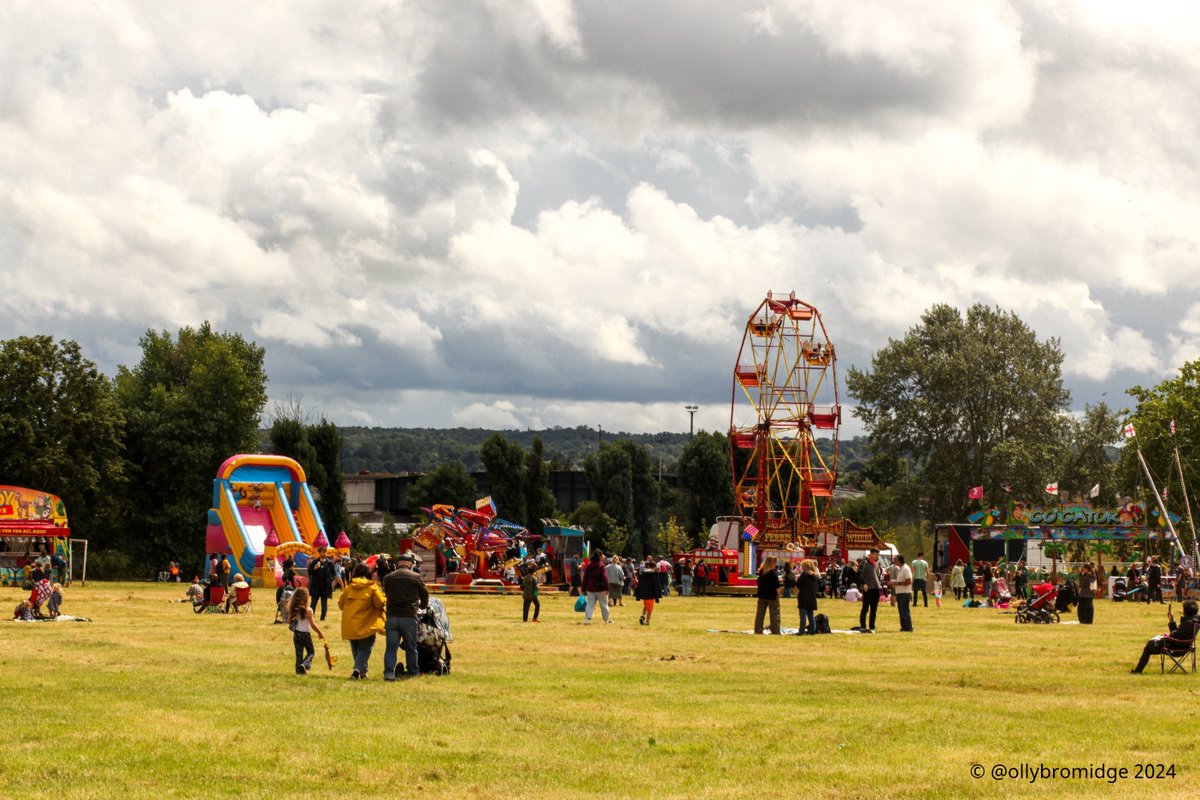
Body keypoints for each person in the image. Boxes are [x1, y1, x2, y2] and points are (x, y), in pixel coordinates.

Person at [382, 552, 429, 680]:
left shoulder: (389, 577)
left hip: (392, 616)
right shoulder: (416, 577)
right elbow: (425, 594)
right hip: (409, 616)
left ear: (398, 563)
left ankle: (388, 674)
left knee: (391, 648)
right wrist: (423, 607)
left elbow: (385, 592)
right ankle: (413, 673)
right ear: (410, 563)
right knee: (411, 647)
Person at [338, 563, 385, 679]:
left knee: (356, 650)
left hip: (350, 624)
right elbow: (380, 603)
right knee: (365, 648)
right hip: (366, 623)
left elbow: (340, 605)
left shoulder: (349, 587)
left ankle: (362, 673)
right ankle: (357, 670)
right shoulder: (372, 587)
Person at [1131, 600, 1200, 673]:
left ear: (1185, 611)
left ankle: (1138, 671)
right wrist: (1172, 621)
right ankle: (1138, 670)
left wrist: (1165, 637)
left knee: (1149, 646)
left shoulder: (1187, 623)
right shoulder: (1195, 621)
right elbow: (1177, 635)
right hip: (1185, 646)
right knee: (1153, 644)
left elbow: (1174, 636)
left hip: (1176, 648)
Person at [286, 587, 324, 675]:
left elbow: (288, 621)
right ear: (306, 598)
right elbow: (313, 625)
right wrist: (320, 633)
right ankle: (305, 665)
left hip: (296, 635)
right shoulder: (309, 610)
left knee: (299, 655)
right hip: (306, 635)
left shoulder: (294, 609)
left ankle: (298, 671)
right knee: (311, 652)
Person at [754, 556, 782, 635]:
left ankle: (758, 630)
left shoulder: (761, 572)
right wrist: (779, 594)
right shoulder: (773, 572)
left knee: (760, 614)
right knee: (775, 614)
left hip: (762, 595)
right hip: (772, 596)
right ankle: (775, 631)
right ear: (773, 563)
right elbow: (777, 585)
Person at [307, 549, 335, 620]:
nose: (324, 553)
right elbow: (309, 572)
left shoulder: (329, 563)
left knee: (324, 604)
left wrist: (330, 580)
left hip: (325, 587)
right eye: (322, 552)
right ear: (319, 553)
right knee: (313, 603)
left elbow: (333, 573)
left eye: (325, 552)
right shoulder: (315, 562)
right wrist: (315, 568)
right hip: (316, 587)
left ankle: (323, 618)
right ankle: (311, 617)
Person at [859, 549, 881, 631]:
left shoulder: (876, 563)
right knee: (865, 608)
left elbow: (877, 575)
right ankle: (863, 626)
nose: (877, 556)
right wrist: (864, 583)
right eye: (876, 554)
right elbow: (859, 574)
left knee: (874, 609)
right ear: (871, 554)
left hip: (876, 588)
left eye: (878, 555)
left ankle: (872, 626)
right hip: (868, 589)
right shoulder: (864, 562)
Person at [795, 559, 819, 635]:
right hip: (811, 597)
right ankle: (813, 631)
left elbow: (798, 584)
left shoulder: (804, 574)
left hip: (803, 597)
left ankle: (801, 631)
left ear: (805, 567)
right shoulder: (814, 575)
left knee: (803, 616)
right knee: (811, 615)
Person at [636, 556, 662, 625]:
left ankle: (642, 616)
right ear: (654, 567)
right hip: (651, 594)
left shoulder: (643, 573)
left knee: (646, 606)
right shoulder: (653, 575)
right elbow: (656, 585)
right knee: (650, 609)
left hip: (644, 594)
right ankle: (647, 621)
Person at [893, 554, 913, 632]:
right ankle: (904, 627)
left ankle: (908, 627)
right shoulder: (900, 568)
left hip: (905, 593)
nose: (894, 561)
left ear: (899, 560)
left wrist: (898, 583)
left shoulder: (906, 569)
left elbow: (909, 581)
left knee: (905, 611)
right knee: (901, 611)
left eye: (895, 560)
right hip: (900, 593)